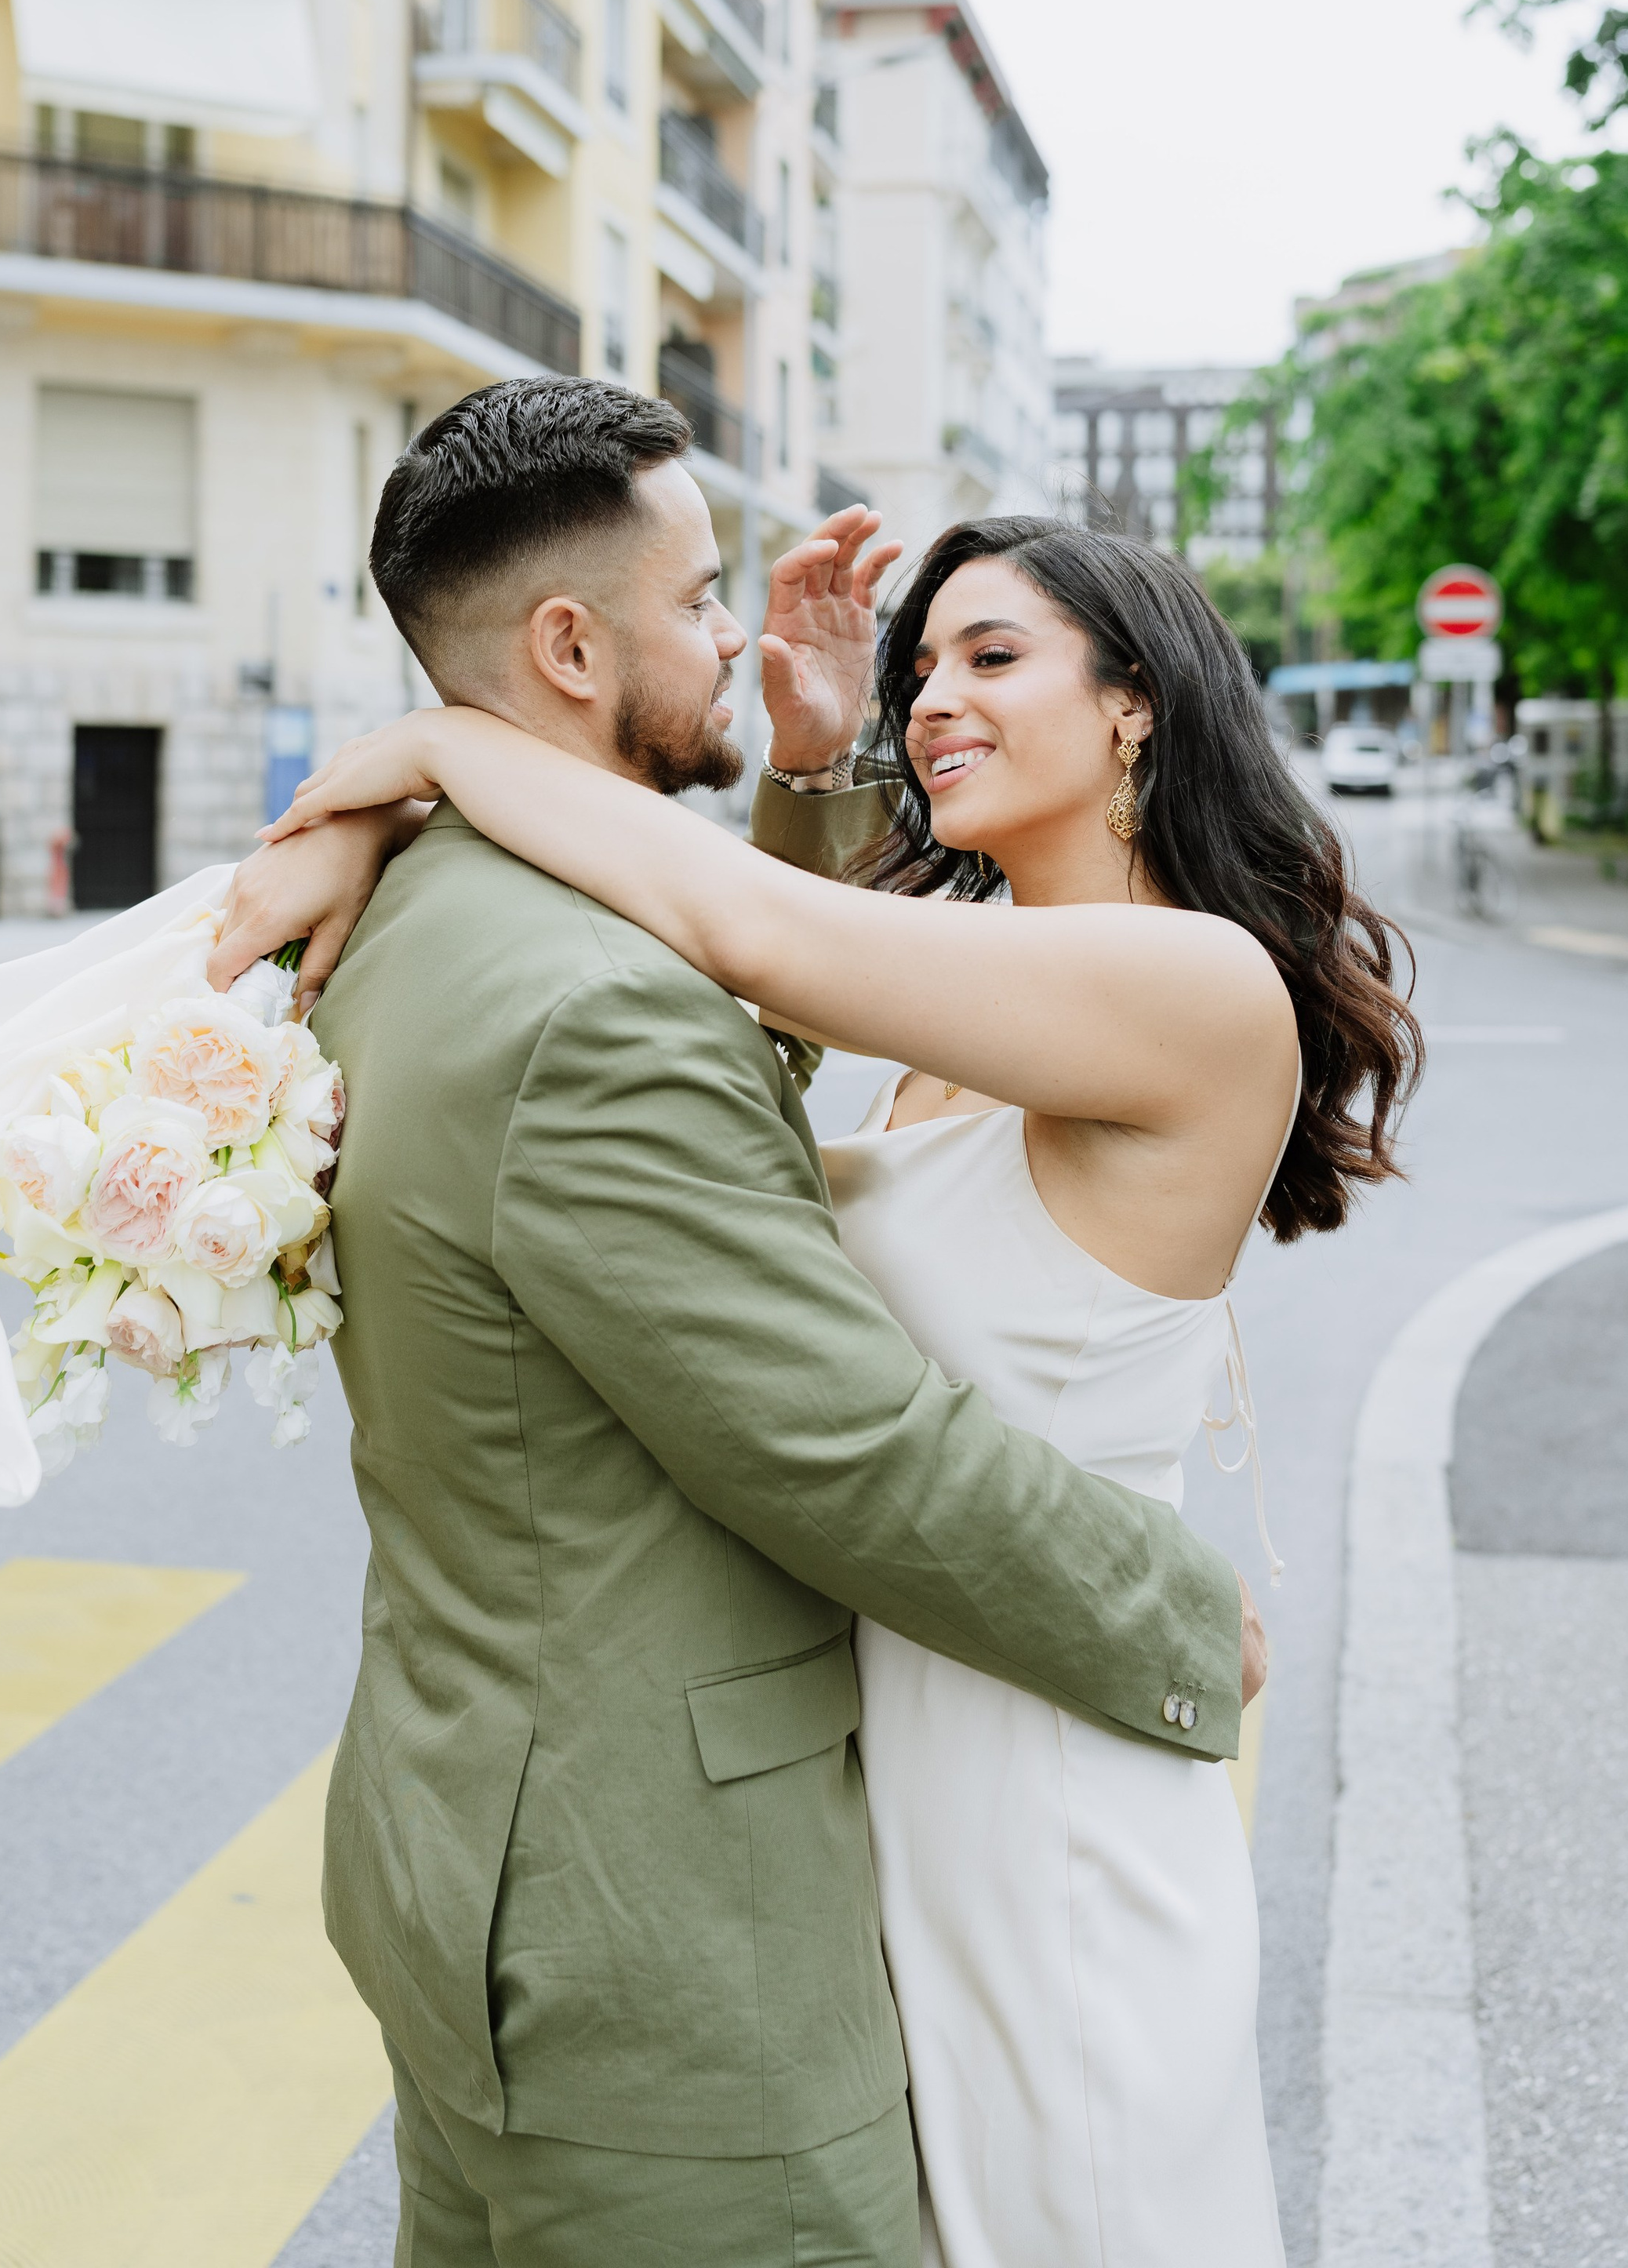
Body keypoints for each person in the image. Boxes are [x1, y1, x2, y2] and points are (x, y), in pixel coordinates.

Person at [220, 379, 1424, 2268]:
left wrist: (423, 748)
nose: (923, 695)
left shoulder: (1189, 984)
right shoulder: (963, 1015)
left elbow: (747, 951)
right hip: (884, 1777)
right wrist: (756, 760)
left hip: (1041, 1763)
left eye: (992, 652)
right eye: (915, 661)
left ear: (1137, 705)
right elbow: (724, 1038)